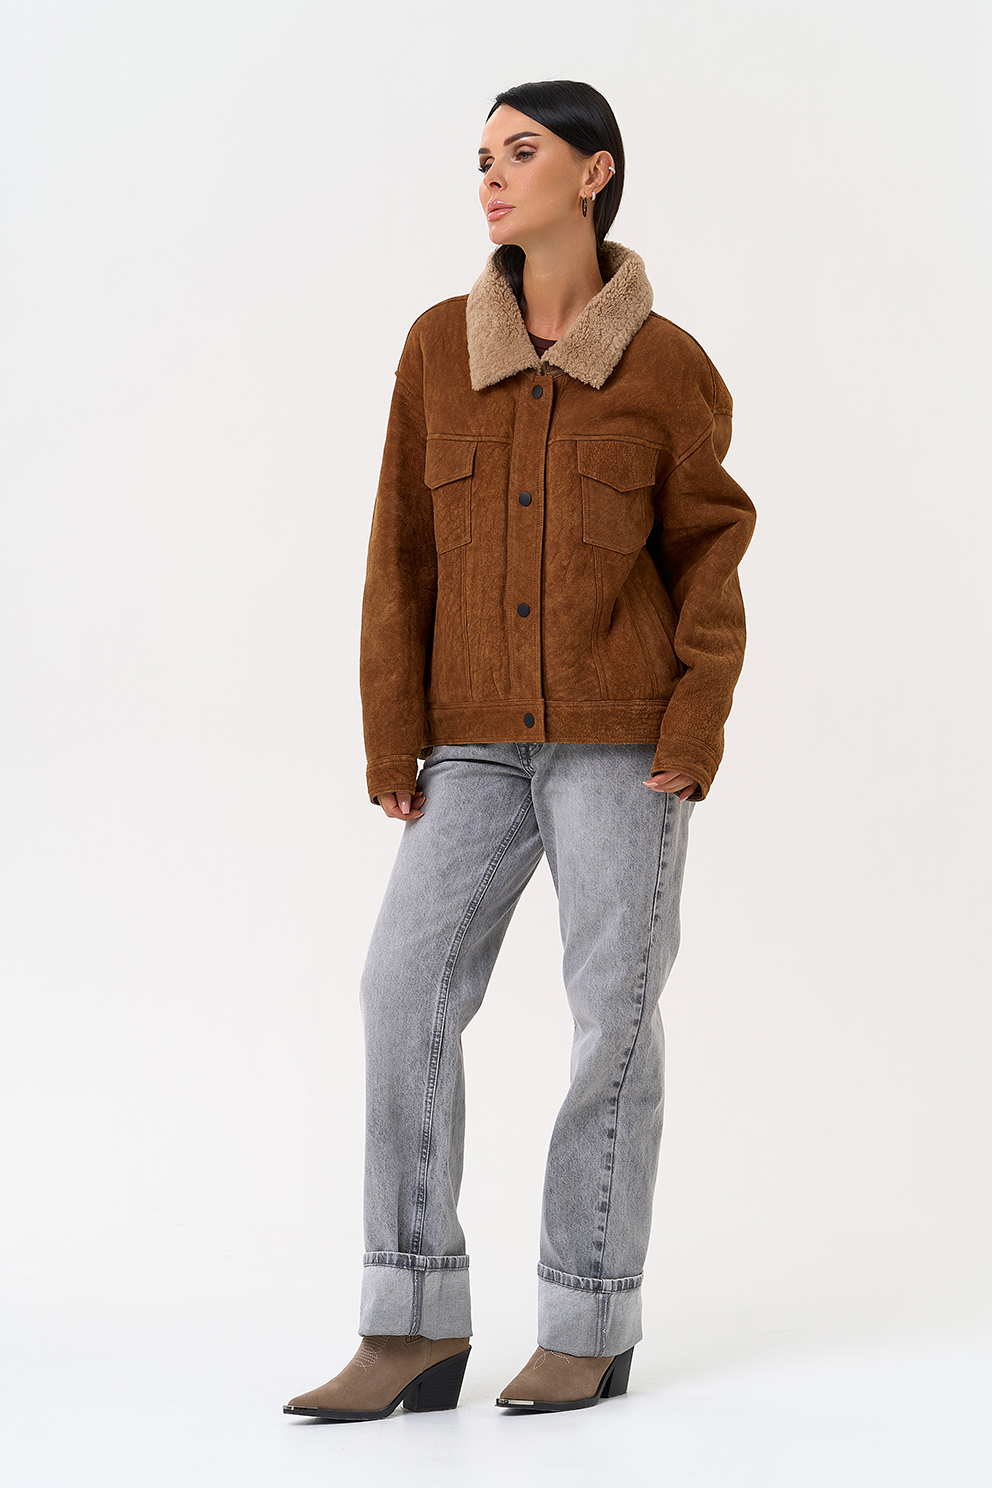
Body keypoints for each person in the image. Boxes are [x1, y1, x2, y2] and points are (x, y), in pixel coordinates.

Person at [284, 78, 756, 1422]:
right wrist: (395, 735)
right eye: (482, 156)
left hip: (623, 745)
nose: (491, 177)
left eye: (522, 152)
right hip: (473, 745)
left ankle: (589, 1322)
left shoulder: (666, 364)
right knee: (401, 991)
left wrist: (694, 724)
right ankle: (412, 1321)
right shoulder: (440, 347)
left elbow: (712, 552)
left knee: (612, 1020)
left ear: (594, 174)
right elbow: (400, 549)